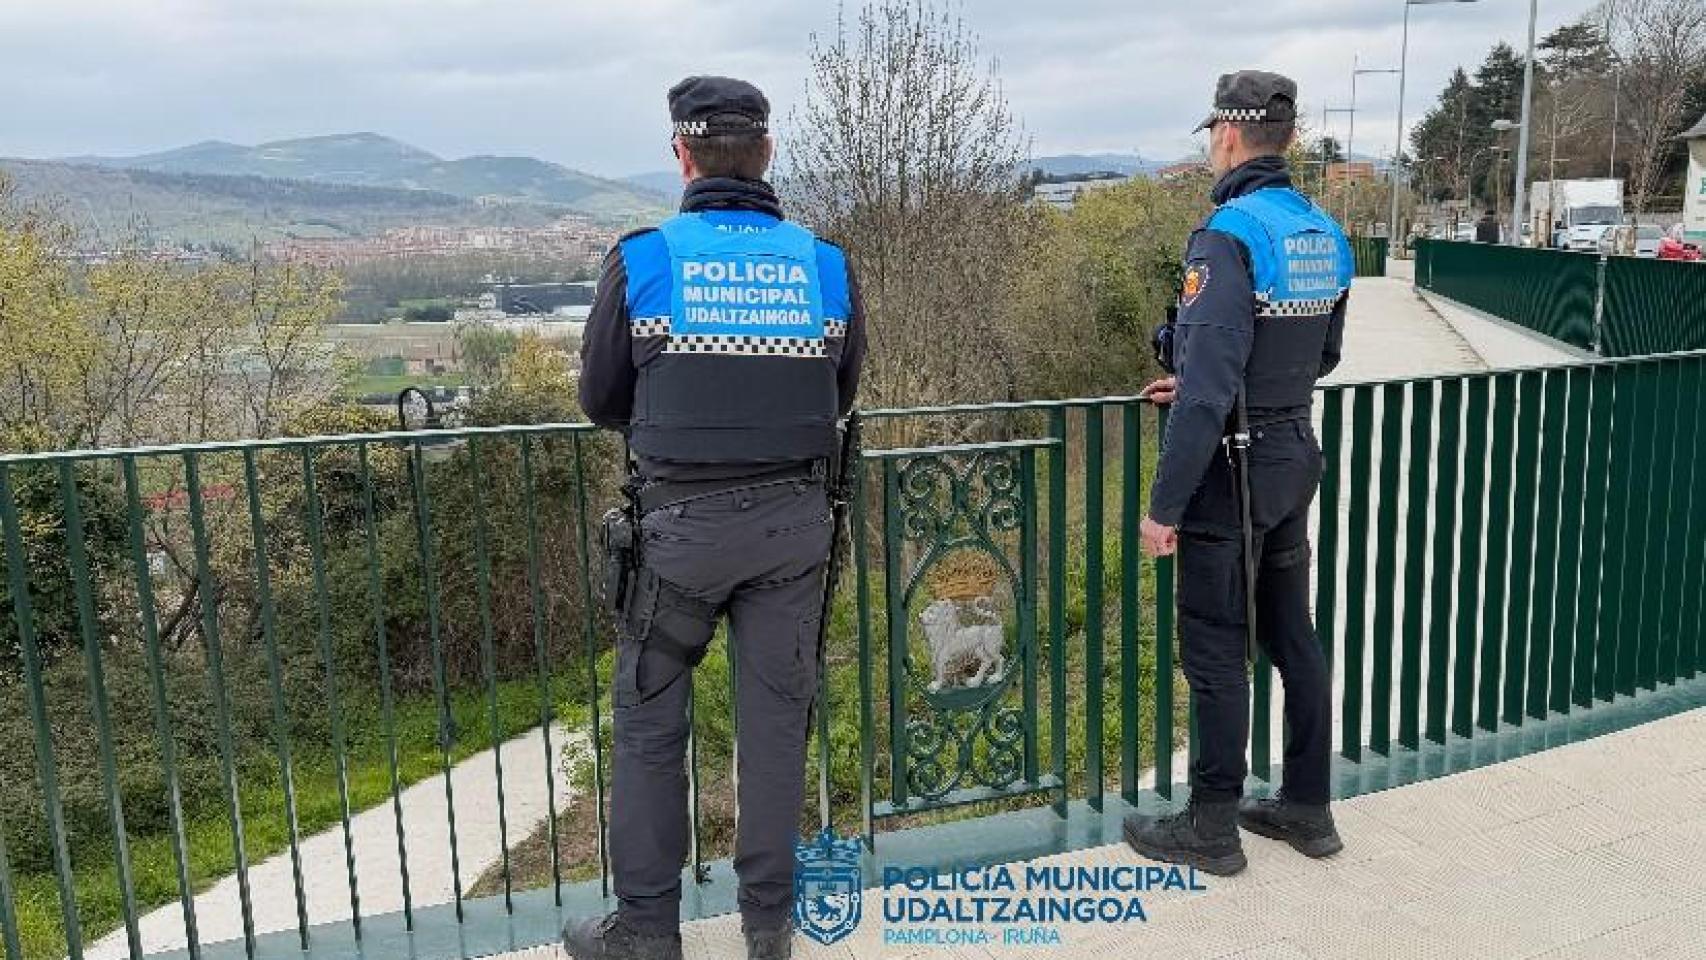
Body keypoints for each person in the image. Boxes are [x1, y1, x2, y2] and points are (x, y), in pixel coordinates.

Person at [563, 75, 867, 960]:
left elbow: (599, 396)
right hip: (795, 526)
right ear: (767, 155)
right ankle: (767, 926)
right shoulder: (825, 264)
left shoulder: (646, 257)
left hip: (679, 535)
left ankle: (647, 930)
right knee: (776, 724)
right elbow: (839, 391)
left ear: (682, 156)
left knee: (653, 727)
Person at [1123, 70, 1351, 877]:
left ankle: (1211, 826)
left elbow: (1211, 390)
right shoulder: (1324, 228)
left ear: (1226, 133)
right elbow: (1322, 355)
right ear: (1284, 138)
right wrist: (1226, 385)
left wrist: (1162, 507)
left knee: (1215, 647)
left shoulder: (1227, 233)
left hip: (1232, 469)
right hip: (1294, 455)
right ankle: (1307, 808)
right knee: (1293, 632)